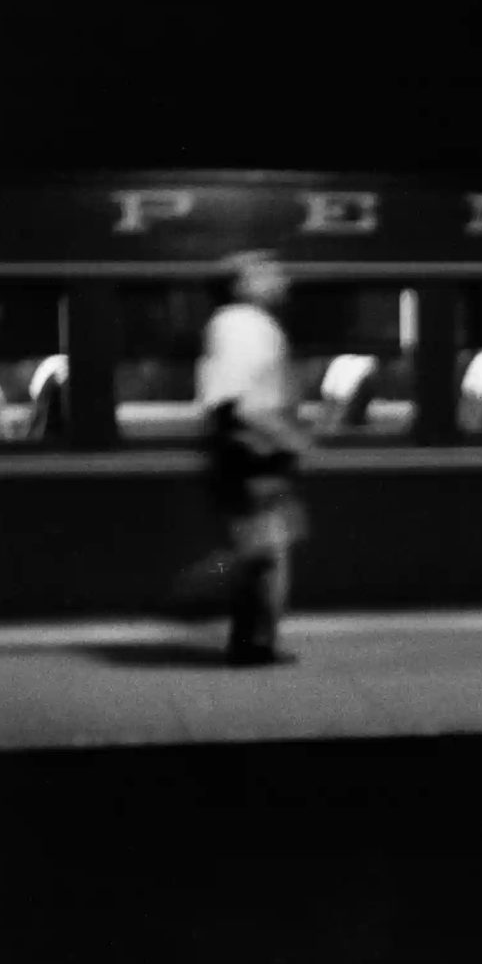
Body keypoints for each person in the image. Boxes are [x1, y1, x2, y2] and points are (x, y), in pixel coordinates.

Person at [196, 251, 306, 666]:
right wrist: (290, 439)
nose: (281, 277)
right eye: (266, 272)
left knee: (266, 549)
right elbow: (237, 404)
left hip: (252, 453)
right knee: (263, 554)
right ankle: (246, 640)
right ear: (241, 283)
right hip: (252, 454)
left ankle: (254, 640)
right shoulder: (242, 326)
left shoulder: (240, 325)